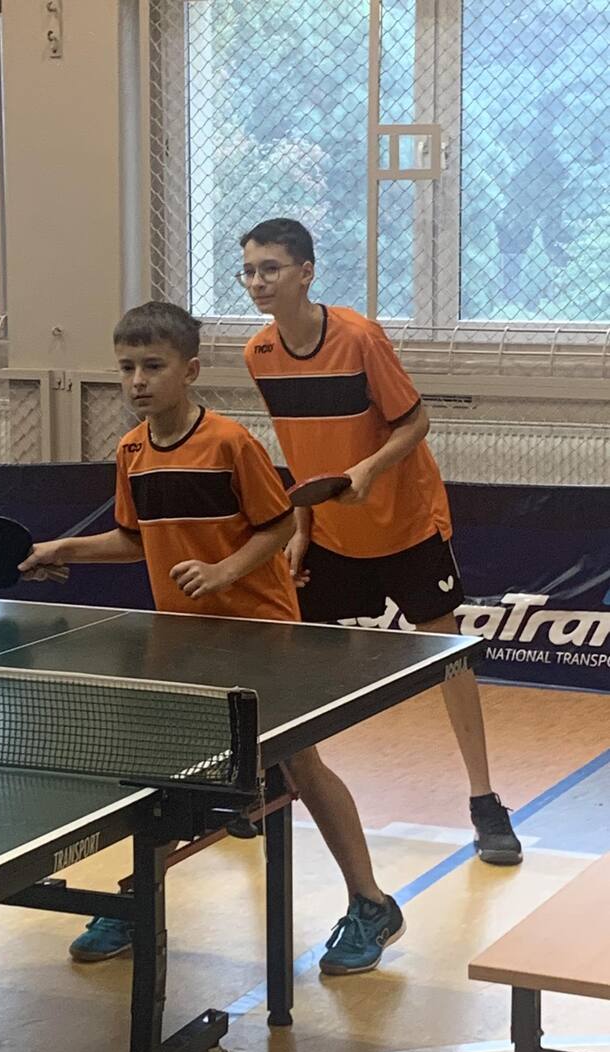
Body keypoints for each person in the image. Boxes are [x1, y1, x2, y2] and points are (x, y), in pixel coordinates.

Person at [19, 300, 406, 976]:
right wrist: (62, 548)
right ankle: (138, 899)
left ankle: (372, 902)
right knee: (163, 775)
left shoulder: (229, 444)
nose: (138, 381)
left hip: (261, 635)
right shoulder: (132, 452)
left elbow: (279, 525)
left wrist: (223, 571)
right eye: (127, 368)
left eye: (153, 366)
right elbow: (135, 539)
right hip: (184, 638)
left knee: (302, 764)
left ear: (190, 370)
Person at [239, 218, 522, 884]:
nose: (257, 282)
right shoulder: (259, 353)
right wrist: (302, 525)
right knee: (289, 657)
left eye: (270, 268)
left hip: (406, 524)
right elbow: (298, 446)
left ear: (306, 273)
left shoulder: (360, 338)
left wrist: (368, 469)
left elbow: (415, 420)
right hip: (330, 533)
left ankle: (484, 801)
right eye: (249, 271)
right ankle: (271, 783)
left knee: (449, 660)